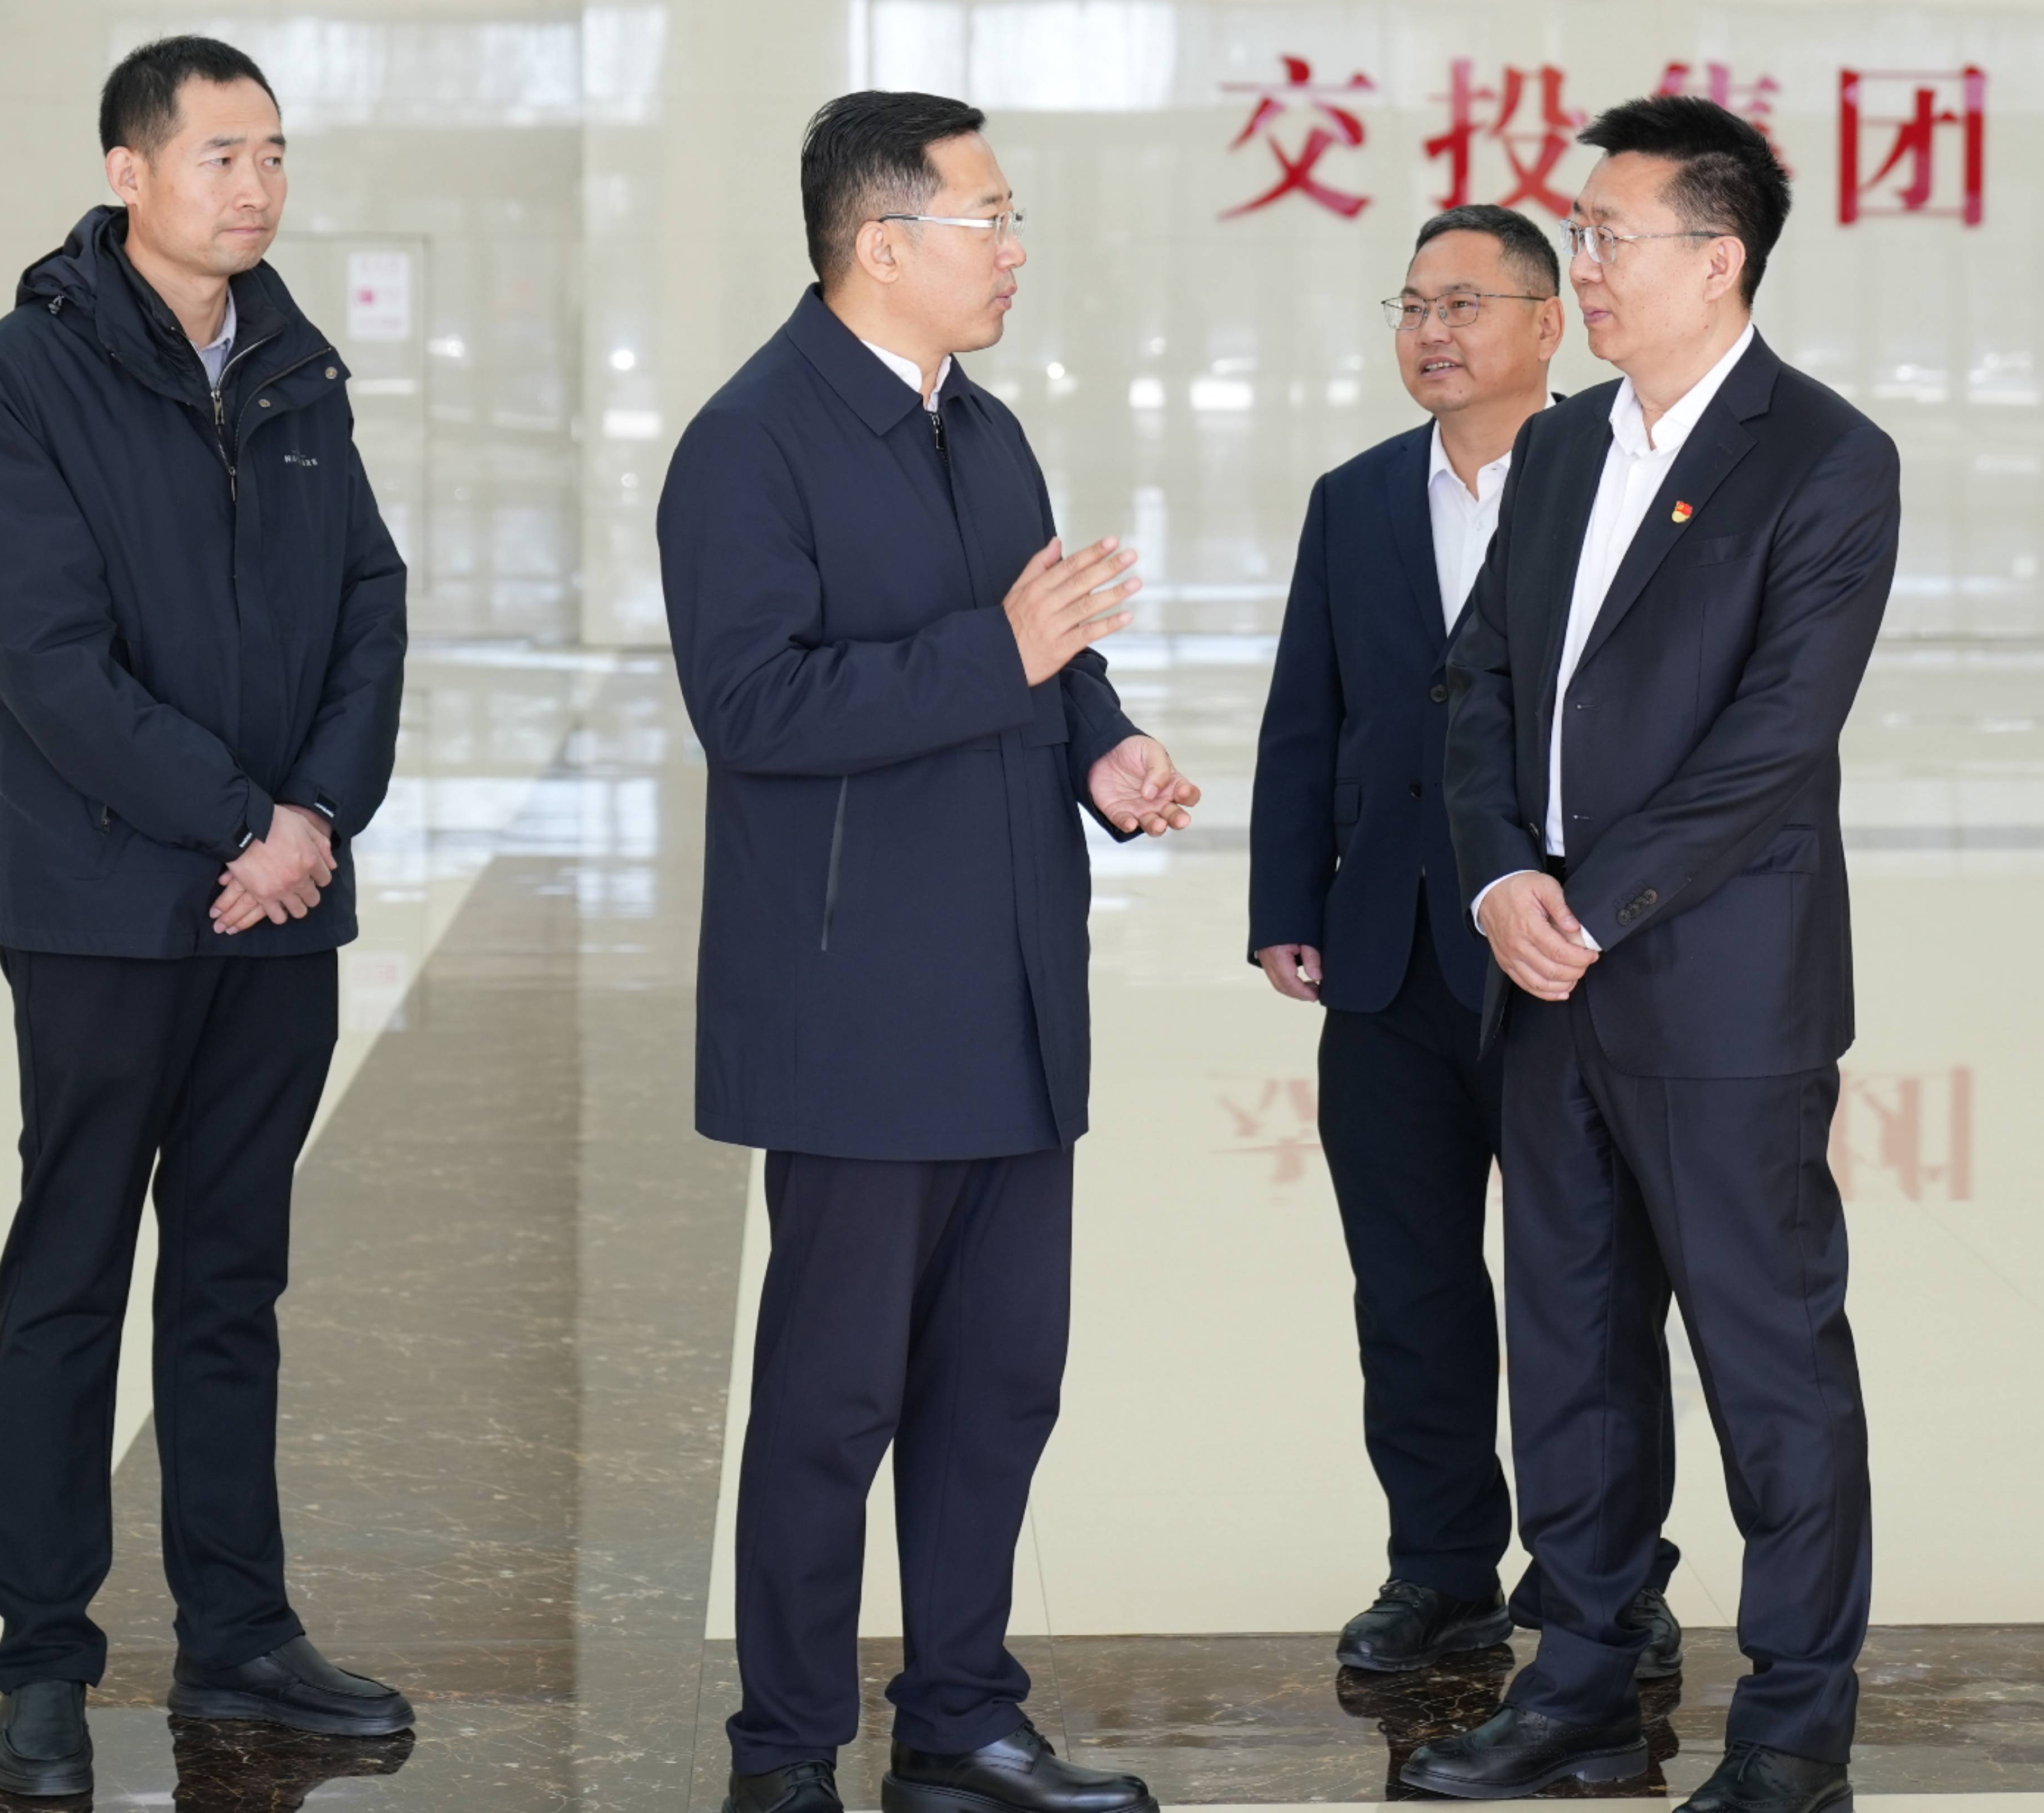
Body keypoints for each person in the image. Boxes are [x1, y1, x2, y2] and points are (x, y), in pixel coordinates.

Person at [660, 91, 1204, 1813]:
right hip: (857, 1010)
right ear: (883, 243)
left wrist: (1106, 746)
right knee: (833, 1406)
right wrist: (1005, 654)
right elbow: (752, 706)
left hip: (1013, 992)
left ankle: (963, 1718)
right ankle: (785, 1752)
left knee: (996, 1389)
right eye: (993, 218)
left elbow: (1048, 652)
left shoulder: (986, 429)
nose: (1016, 251)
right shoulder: (751, 444)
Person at [1403, 97, 1900, 1813]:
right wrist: (1500, 878)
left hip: (1717, 988)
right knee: (1572, 1345)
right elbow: (1478, 680)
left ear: (1719, 258)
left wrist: (1592, 903)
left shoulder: (1823, 458)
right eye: (1583, 236)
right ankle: (1583, 1686)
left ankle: (1795, 1728)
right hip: (1543, 973)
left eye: (1611, 239)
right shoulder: (1559, 450)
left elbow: (1776, 737)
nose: (1587, 268)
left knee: (1769, 1361)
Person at [0, 34, 416, 1800]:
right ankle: (42, 1661)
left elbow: (371, 601)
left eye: (274, 154)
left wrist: (315, 823)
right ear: (128, 171)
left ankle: (240, 1631)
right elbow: (51, 662)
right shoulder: (22, 377)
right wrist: (242, 822)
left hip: (277, 916)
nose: (257, 186)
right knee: (70, 1280)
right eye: (222, 155)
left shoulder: (296, 370)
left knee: (232, 1283)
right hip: (103, 911)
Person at [1247, 207, 1686, 1683]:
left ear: (1549, 324)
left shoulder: (1620, 481)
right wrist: (1286, 907)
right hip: (1388, 958)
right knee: (1412, 1284)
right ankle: (1438, 1568)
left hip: (1567, 953)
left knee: (1591, 1291)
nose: (1432, 332)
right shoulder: (1356, 498)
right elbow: (1308, 712)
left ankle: (1605, 1574)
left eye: (1466, 304)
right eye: (1413, 307)